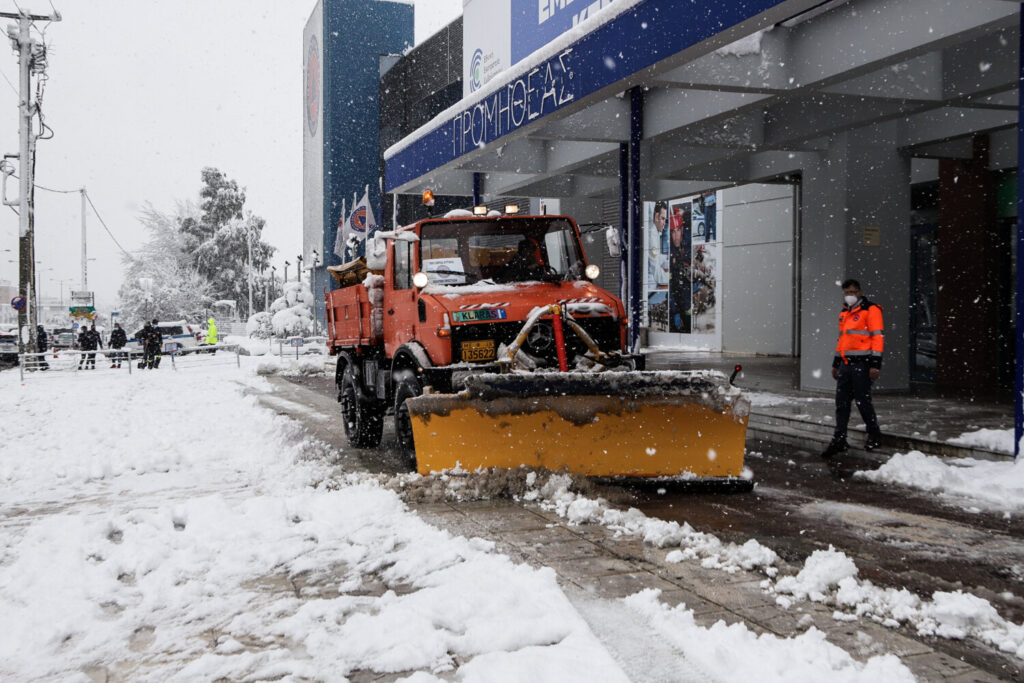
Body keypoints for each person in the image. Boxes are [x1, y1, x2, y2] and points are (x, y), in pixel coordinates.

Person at [821, 279, 884, 458]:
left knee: (863, 402)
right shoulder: (845, 313)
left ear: (860, 292)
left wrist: (875, 364)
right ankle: (839, 439)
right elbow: (842, 340)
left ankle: (874, 434)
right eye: (847, 292)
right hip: (846, 365)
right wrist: (836, 363)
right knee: (841, 403)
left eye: (853, 292)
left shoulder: (871, 310)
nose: (850, 295)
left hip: (862, 364)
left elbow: (878, 338)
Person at [647, 200, 670, 286]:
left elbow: (655, 258)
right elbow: (657, 274)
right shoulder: (652, 236)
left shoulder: (654, 232)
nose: (664, 223)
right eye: (663, 218)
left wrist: (667, 260)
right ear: (657, 217)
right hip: (651, 283)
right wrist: (672, 277)